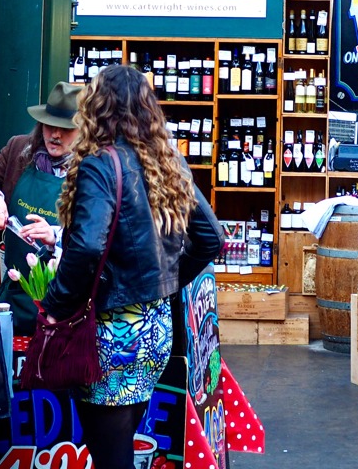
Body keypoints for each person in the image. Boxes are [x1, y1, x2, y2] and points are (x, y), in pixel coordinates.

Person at [40, 65, 222, 469]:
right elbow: (211, 238)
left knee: (110, 456)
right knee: (118, 448)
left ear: (95, 109)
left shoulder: (98, 165)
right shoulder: (166, 160)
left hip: (111, 335)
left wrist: (56, 304)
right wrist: (165, 283)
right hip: (156, 329)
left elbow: (87, 247)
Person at [0, 81, 80, 334]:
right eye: (49, 125)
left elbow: (98, 237)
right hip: (16, 295)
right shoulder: (19, 150)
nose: (54, 135)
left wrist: (56, 236)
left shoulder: (94, 167)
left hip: (67, 304)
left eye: (64, 129)